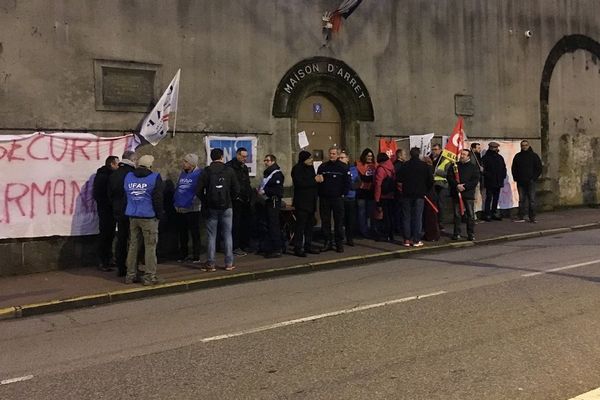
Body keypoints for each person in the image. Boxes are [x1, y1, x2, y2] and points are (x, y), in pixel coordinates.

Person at [196, 148, 240, 271]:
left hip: (211, 208)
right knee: (227, 234)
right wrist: (230, 199)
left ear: (211, 157)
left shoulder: (206, 171)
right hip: (227, 207)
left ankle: (211, 264)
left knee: (211, 236)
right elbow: (237, 189)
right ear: (222, 157)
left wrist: (206, 200)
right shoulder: (229, 170)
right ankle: (229, 263)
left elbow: (198, 190)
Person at [124, 155, 164, 285]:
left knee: (133, 246)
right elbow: (158, 199)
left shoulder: (128, 177)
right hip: (148, 216)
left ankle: (130, 274)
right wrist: (159, 215)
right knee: (150, 247)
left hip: (132, 215)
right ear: (150, 166)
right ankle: (149, 276)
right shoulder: (154, 177)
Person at [108, 150, 138, 277]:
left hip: (118, 210)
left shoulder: (114, 174)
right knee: (133, 240)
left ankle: (121, 267)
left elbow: (109, 194)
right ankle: (131, 268)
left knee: (121, 239)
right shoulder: (132, 174)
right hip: (131, 210)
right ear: (132, 160)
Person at [317, 147, 351, 253]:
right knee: (325, 221)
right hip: (325, 198)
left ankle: (339, 243)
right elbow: (318, 180)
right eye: (330, 153)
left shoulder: (343, 167)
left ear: (338, 155)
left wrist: (343, 194)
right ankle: (327, 242)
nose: (332, 155)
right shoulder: (323, 167)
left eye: (334, 154)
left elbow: (347, 182)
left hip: (337, 198)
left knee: (338, 222)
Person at [398, 147, 433, 247]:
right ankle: (416, 239)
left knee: (406, 217)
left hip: (406, 194)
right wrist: (425, 190)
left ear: (410, 154)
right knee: (417, 217)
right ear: (419, 154)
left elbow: (399, 178)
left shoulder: (405, 165)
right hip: (419, 194)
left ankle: (406, 239)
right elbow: (430, 180)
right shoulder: (424, 166)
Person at [173, 153, 203, 263]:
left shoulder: (199, 174)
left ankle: (196, 255)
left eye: (186, 162)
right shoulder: (182, 174)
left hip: (193, 208)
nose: (183, 163)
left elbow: (199, 190)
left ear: (192, 164)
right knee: (182, 233)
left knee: (195, 233)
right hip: (181, 208)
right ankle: (183, 254)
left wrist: (194, 201)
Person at [291, 151, 320, 257]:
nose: (311, 160)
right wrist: (314, 180)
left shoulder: (310, 168)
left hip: (311, 201)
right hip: (302, 202)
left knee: (309, 225)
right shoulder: (297, 169)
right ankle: (298, 247)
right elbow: (299, 183)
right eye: (309, 158)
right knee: (300, 226)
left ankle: (308, 245)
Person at [93, 155, 119, 271]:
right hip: (105, 210)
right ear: (112, 164)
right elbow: (102, 194)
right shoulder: (104, 177)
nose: (119, 166)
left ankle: (108, 259)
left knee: (110, 235)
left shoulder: (104, 175)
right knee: (105, 235)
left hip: (107, 210)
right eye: (117, 164)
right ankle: (103, 261)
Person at [447, 149, 480, 241]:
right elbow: (449, 176)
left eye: (464, 154)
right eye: (461, 154)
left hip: (468, 194)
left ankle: (471, 233)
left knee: (470, 214)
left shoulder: (473, 167)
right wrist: (456, 185)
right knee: (457, 214)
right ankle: (456, 233)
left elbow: (475, 180)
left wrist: (465, 186)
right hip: (456, 193)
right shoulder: (455, 166)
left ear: (468, 156)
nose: (462, 156)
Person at [226, 147, 253, 255]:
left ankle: (244, 244)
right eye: (242, 156)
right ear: (237, 155)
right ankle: (235, 246)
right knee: (235, 224)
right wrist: (235, 196)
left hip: (245, 199)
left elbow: (246, 182)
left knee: (244, 223)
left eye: (246, 156)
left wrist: (249, 195)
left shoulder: (244, 167)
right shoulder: (229, 167)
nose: (244, 158)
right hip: (235, 200)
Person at [258, 154, 285, 258]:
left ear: (273, 161)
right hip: (268, 201)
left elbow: (278, 190)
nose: (265, 162)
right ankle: (268, 247)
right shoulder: (267, 173)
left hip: (273, 201)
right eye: (265, 160)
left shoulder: (277, 174)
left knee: (274, 225)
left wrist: (265, 190)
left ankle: (277, 248)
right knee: (268, 224)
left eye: (268, 160)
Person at [511, 140, 542, 223]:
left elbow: (539, 168)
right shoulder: (518, 156)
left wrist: (533, 178)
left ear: (528, 146)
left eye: (526, 145)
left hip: (531, 181)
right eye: (523, 145)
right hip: (521, 182)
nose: (524, 147)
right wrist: (516, 178)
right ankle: (521, 216)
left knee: (532, 200)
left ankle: (532, 217)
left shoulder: (534, 156)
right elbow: (514, 168)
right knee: (521, 200)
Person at [373, 152, 396, 242]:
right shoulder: (392, 167)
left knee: (382, 216)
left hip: (383, 195)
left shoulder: (381, 169)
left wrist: (377, 199)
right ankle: (391, 235)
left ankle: (384, 234)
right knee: (391, 216)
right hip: (391, 194)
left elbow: (378, 185)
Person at [481, 141, 507, 221]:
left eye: (496, 147)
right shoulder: (485, 158)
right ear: (490, 148)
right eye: (494, 147)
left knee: (496, 198)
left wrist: (503, 176)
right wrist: (488, 175)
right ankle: (487, 213)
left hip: (498, 181)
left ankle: (494, 212)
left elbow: (503, 168)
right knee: (489, 198)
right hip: (490, 181)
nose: (495, 149)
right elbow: (483, 170)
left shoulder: (500, 157)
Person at [355, 148, 377, 238]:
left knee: (372, 213)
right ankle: (363, 231)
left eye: (371, 156)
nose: (370, 158)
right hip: (361, 192)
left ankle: (372, 230)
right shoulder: (358, 165)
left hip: (371, 193)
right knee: (362, 213)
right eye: (368, 156)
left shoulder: (375, 165)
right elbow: (359, 178)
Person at [430, 144, 451, 231]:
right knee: (433, 204)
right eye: (433, 149)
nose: (434, 151)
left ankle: (441, 223)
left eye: (436, 149)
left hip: (442, 185)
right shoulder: (430, 159)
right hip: (433, 184)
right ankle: (433, 223)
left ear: (440, 150)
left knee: (441, 205)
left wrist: (438, 172)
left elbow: (448, 174)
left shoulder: (446, 160)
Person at [339, 150, 358, 246]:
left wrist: (350, 186)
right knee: (341, 219)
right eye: (340, 158)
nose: (341, 160)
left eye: (342, 158)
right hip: (341, 197)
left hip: (350, 197)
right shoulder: (338, 168)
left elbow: (357, 182)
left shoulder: (353, 169)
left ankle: (350, 238)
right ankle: (340, 238)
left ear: (347, 158)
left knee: (350, 219)